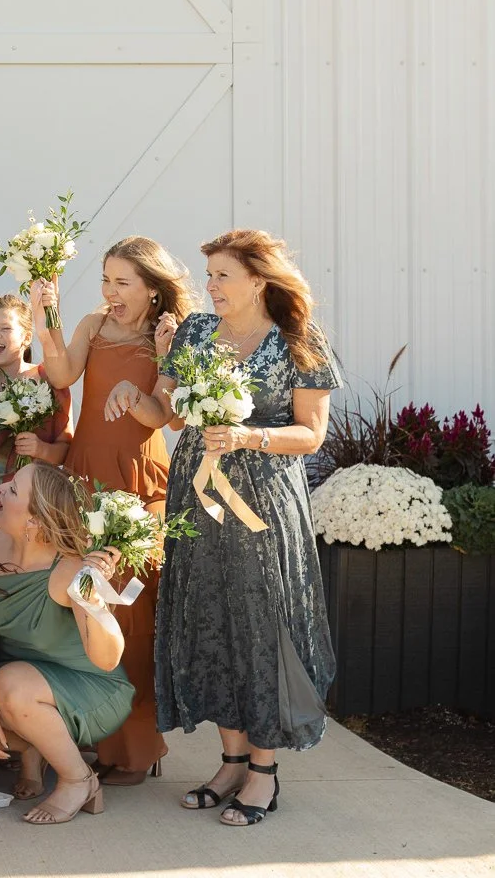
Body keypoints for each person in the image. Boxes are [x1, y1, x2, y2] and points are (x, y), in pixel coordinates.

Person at [118, 229, 341, 827]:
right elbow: (165, 412)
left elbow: (311, 433)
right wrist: (134, 393)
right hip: (196, 498)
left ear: (258, 280)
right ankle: (231, 758)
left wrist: (248, 437)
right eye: (208, 275)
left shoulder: (298, 341)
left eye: (222, 275)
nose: (209, 286)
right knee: (210, 619)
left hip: (263, 504)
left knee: (261, 625)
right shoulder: (192, 333)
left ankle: (263, 770)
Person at [29, 235, 196, 785]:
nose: (110, 291)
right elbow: (60, 376)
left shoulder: (168, 336)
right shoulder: (93, 326)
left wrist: (138, 386)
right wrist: (44, 313)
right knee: (82, 610)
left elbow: (163, 418)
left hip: (136, 486)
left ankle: (138, 748)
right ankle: (92, 740)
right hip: (83, 481)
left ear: (153, 289)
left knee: (129, 614)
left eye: (123, 282)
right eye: (105, 279)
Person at [0, 461, 133, 826]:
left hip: (88, 689)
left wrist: (93, 600)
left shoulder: (70, 567)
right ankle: (39, 744)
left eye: (14, 489)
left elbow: (108, 659)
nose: (0, 489)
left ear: (34, 520)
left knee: (12, 683)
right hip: (15, 684)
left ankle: (78, 779)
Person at [0, 293, 72, 526]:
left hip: (31, 498)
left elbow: (66, 448)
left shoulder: (49, 380)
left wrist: (40, 449)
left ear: (26, 336)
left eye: (5, 328)